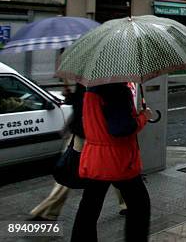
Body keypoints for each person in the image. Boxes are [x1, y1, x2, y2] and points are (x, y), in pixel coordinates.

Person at [30, 84, 127, 221]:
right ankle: (126, 202)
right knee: (110, 169)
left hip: (89, 134)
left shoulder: (98, 81)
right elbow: (80, 104)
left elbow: (90, 106)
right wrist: (70, 95)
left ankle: (49, 211)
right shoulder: (85, 80)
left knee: (72, 171)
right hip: (82, 133)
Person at [70, 83, 154, 242]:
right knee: (140, 206)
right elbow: (121, 128)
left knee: (88, 210)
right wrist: (144, 117)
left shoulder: (90, 89)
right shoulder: (117, 90)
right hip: (118, 160)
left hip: (95, 158)